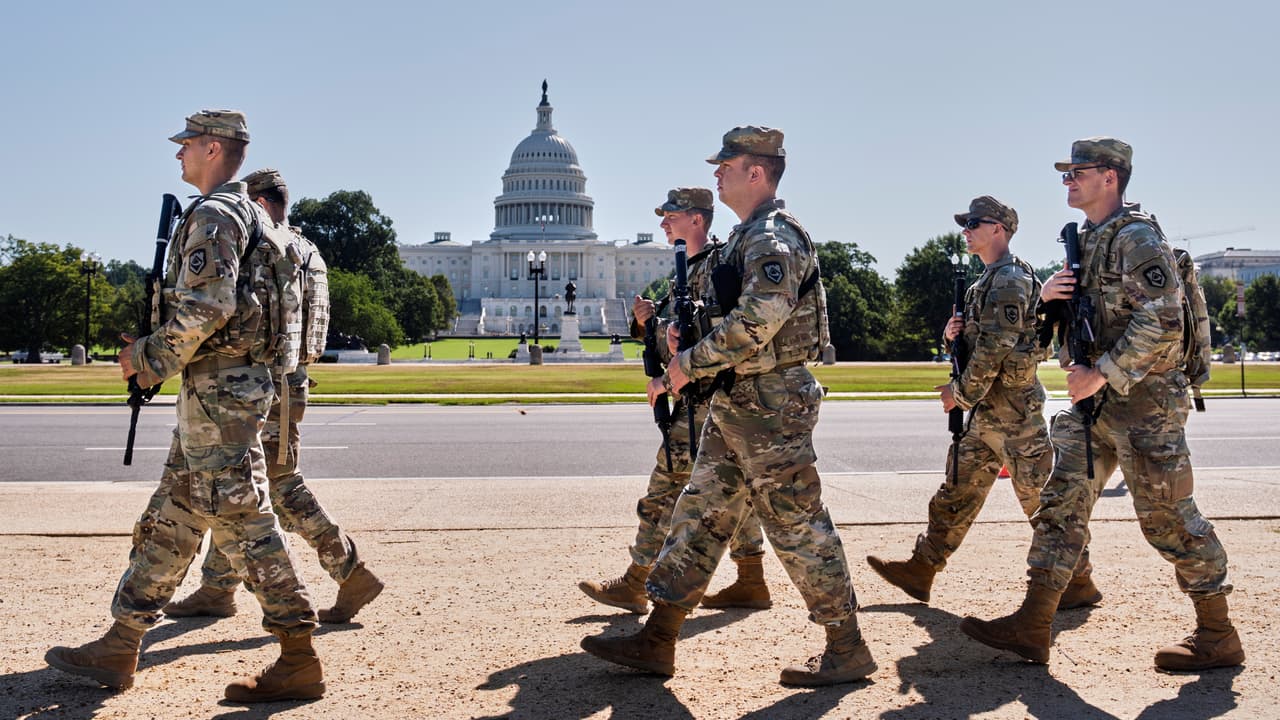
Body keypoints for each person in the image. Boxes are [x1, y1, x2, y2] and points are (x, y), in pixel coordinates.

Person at [44, 110, 325, 702]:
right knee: (173, 513)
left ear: (214, 148)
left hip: (221, 393)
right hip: (225, 389)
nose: (179, 154)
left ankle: (298, 654)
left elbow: (207, 307)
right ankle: (122, 640)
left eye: (187, 144)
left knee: (243, 520)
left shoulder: (217, 213)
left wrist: (145, 357)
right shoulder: (249, 214)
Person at [581, 126, 874, 686]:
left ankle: (847, 645)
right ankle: (659, 636)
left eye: (727, 165)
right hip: (738, 400)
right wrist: (681, 338)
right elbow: (728, 317)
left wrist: (688, 362)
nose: (716, 174)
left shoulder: (773, 238)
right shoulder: (745, 238)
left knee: (796, 522)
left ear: (756, 172)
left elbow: (760, 319)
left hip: (772, 404)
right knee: (701, 512)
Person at [960, 137, 1245, 671]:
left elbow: (1163, 320)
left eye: (1077, 172)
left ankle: (1217, 633)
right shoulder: (1087, 239)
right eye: (1065, 173)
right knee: (1059, 504)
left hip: (1146, 403)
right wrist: (1049, 301)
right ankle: (1034, 623)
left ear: (1110, 177)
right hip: (1095, 405)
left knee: (1167, 519)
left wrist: (1102, 373)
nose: (1067, 180)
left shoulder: (1136, 238)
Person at [163, 168, 384, 624]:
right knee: (238, 485)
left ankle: (350, 571)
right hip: (285, 379)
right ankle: (217, 587)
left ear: (261, 203)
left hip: (266, 379)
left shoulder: (272, 247)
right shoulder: (305, 249)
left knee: (277, 485)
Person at [866, 197, 1102, 611]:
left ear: (999, 229)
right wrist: (950, 337)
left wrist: (957, 394)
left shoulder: (1010, 279)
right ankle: (922, 570)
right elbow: (977, 346)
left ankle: (1078, 580)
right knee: (955, 492)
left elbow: (994, 351)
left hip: (1015, 417)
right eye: (966, 223)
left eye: (974, 223)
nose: (966, 230)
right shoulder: (984, 282)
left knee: (1042, 502)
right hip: (985, 415)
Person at [579, 187, 772, 616]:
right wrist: (648, 324)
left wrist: (669, 376)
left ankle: (636, 582)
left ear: (697, 219)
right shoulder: (688, 271)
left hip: (709, 399)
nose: (663, 223)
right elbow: (679, 340)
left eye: (671, 215)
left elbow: (727, 335)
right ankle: (751, 580)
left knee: (664, 489)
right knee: (736, 491)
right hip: (707, 399)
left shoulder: (720, 268)